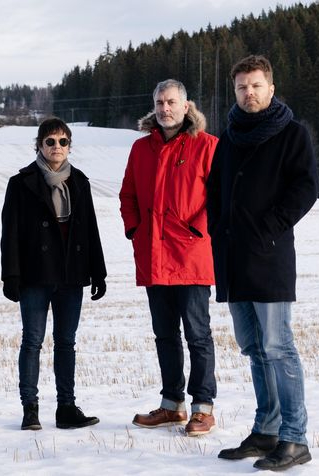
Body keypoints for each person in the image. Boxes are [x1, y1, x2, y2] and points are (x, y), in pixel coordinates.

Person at [207, 55, 319, 471]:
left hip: (269, 257)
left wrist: (270, 226)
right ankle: (266, 430)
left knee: (278, 348)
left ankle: (295, 438)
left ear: (270, 88)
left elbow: (306, 187)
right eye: (241, 87)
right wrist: (218, 227)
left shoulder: (292, 134)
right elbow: (214, 188)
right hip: (233, 259)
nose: (248, 93)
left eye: (255, 86)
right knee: (254, 348)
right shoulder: (230, 137)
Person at [119, 79, 218, 436]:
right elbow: (127, 195)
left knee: (197, 334)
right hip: (153, 256)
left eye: (171, 102)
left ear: (186, 105)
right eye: (159, 102)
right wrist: (136, 230)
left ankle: (203, 407)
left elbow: (219, 199)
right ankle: (171, 404)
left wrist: (197, 231)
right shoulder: (140, 149)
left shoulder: (207, 146)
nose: (165, 108)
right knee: (164, 334)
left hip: (191, 257)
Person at [1, 117, 106, 431]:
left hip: (70, 276)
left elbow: (90, 230)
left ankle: (66, 407)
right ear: (39, 145)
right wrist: (11, 276)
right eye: (50, 141)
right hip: (35, 275)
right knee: (32, 342)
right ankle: (30, 409)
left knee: (66, 342)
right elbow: (11, 234)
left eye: (63, 142)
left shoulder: (80, 181)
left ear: (69, 146)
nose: (56, 147)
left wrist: (97, 273)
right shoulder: (21, 183)